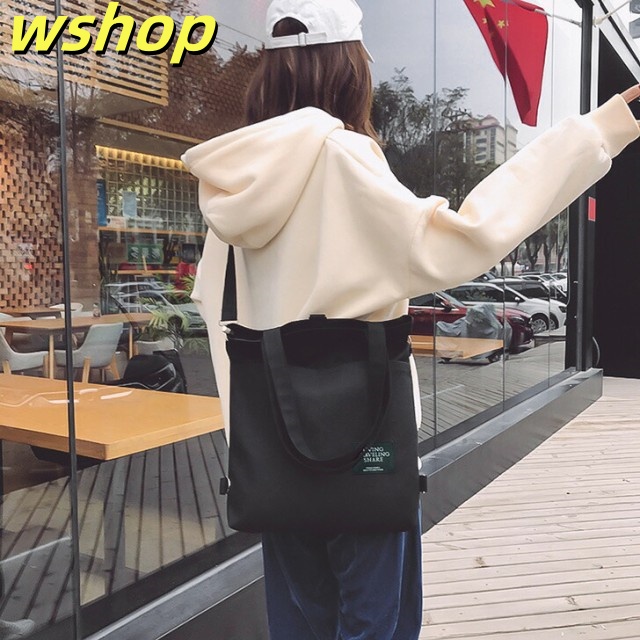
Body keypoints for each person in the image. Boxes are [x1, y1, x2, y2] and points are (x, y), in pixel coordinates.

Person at [182, 1, 640, 637]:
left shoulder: (232, 179)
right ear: (347, 67)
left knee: (299, 619)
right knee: (380, 620)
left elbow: (213, 305)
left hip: (273, 451)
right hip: (362, 437)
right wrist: (596, 133)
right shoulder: (342, 156)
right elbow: (462, 239)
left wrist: (251, 439)